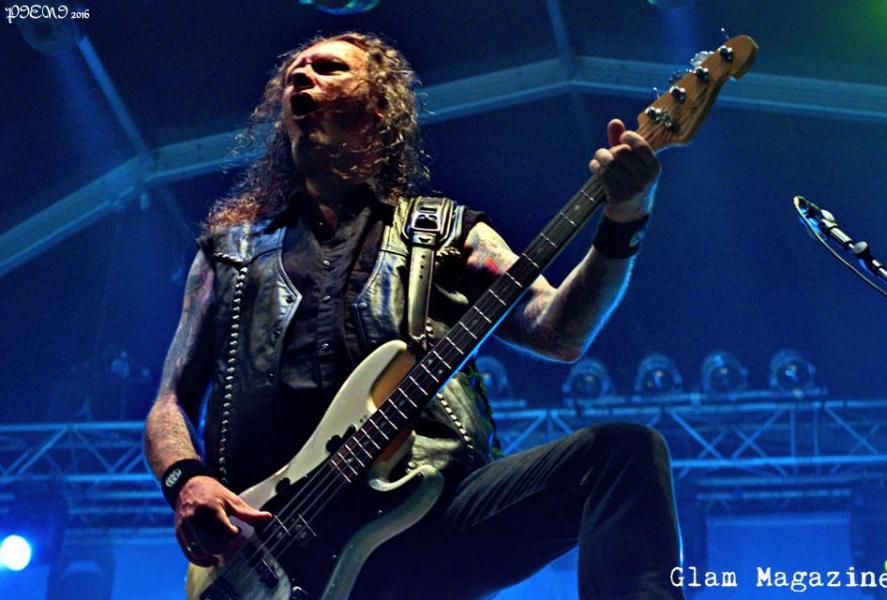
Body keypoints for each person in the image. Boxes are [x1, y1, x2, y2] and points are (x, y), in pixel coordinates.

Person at [144, 31, 683, 600]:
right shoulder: (229, 254)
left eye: (328, 68)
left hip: (431, 517)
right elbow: (169, 401)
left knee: (621, 457)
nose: (301, 76)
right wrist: (186, 480)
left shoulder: (446, 232)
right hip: (267, 550)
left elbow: (559, 330)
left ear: (378, 108)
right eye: (294, 73)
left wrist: (624, 217)